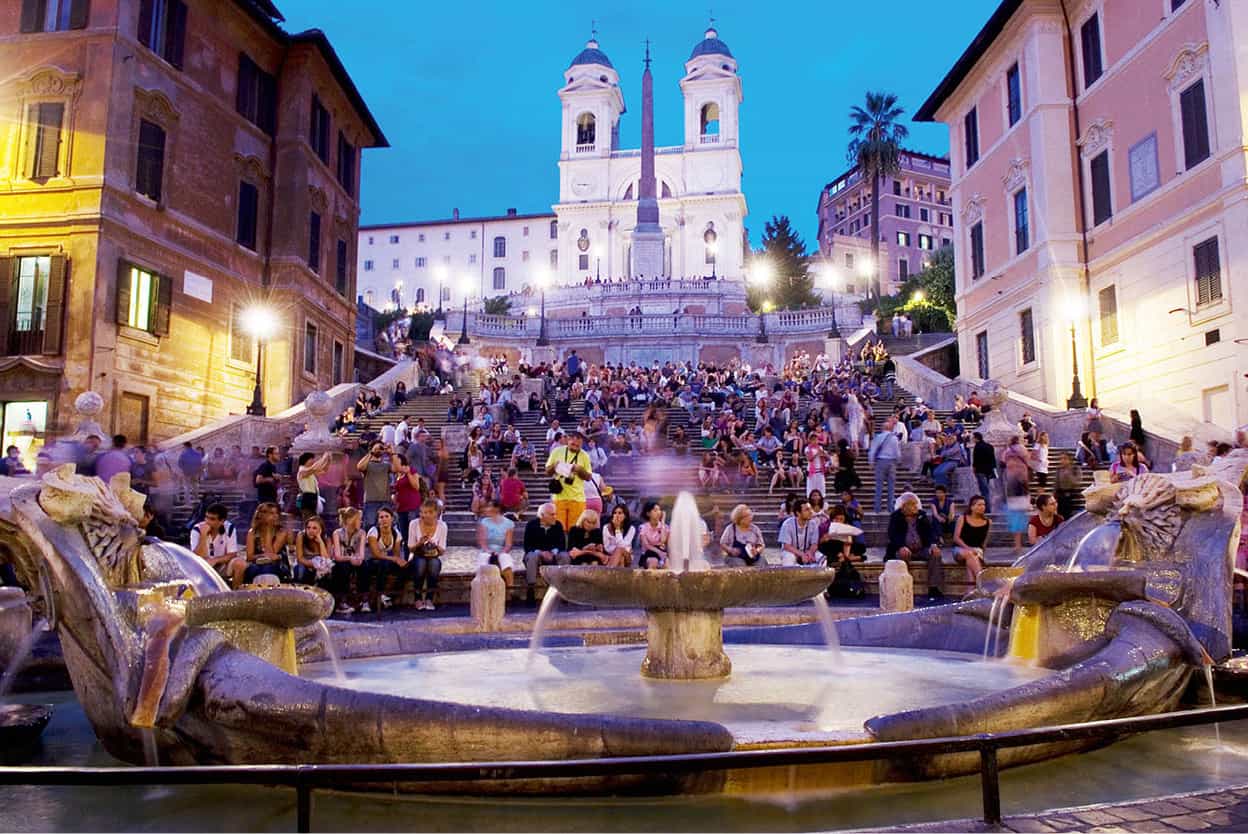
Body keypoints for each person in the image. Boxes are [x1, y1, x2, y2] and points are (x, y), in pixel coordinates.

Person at [885, 492, 944, 600]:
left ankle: (934, 587)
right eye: (912, 504)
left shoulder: (922, 515)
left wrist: (933, 545)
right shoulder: (896, 516)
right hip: (904, 548)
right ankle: (904, 585)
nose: (916, 507)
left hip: (922, 548)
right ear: (904, 506)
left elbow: (930, 532)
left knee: (936, 554)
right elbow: (892, 535)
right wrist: (901, 546)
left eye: (916, 504)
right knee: (902, 555)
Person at [544, 430, 593, 534]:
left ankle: (572, 549)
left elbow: (588, 477)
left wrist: (580, 470)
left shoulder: (585, 456)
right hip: (559, 497)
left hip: (577, 498)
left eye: (578, 446)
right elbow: (547, 471)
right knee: (558, 529)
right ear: (568, 440)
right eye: (573, 444)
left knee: (575, 530)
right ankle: (560, 549)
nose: (575, 447)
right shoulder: (557, 451)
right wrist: (555, 466)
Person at [523, 502, 568, 602]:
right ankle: (531, 588)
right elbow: (527, 546)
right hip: (537, 554)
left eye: (555, 514)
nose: (555, 517)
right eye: (552, 514)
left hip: (553, 555)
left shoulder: (558, 525)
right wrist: (541, 553)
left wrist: (553, 553)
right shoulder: (531, 525)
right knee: (531, 556)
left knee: (564, 556)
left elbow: (562, 545)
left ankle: (563, 588)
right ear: (542, 515)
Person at [406, 499, 446, 610]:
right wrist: (419, 543)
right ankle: (417, 598)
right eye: (423, 512)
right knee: (420, 564)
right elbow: (410, 548)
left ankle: (429, 598)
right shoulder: (414, 524)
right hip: (418, 554)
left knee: (434, 564)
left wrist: (434, 545)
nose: (425, 515)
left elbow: (442, 551)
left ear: (435, 513)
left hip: (433, 555)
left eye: (429, 512)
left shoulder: (442, 526)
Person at [237, 502, 289, 588]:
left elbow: (271, 554)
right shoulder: (252, 532)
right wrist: (262, 556)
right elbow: (249, 557)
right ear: (262, 515)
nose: (276, 516)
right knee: (253, 569)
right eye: (272, 513)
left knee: (267, 568)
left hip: (277, 565)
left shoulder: (281, 532)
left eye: (276, 513)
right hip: (257, 564)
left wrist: (268, 530)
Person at [365, 507, 405, 612]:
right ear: (378, 520)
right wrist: (394, 558)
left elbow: (396, 554)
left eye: (386, 516)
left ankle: (392, 597)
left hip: (386, 561)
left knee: (405, 568)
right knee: (383, 564)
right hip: (371, 562)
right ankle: (380, 594)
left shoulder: (396, 533)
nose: (384, 519)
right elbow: (376, 554)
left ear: (392, 518)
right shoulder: (373, 531)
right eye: (381, 517)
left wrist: (399, 561)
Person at [189, 502, 240, 580]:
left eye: (212, 519)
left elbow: (232, 554)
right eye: (206, 517)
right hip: (202, 566)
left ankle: (236, 591)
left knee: (239, 563)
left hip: (222, 564)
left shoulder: (229, 528)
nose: (207, 521)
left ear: (222, 521)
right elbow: (197, 556)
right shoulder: (197, 530)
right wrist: (203, 536)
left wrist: (215, 560)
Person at [331, 506, 367, 614]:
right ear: (350, 520)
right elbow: (337, 556)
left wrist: (359, 559)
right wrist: (350, 558)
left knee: (364, 566)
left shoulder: (361, 533)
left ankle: (363, 600)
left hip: (355, 561)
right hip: (342, 561)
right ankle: (342, 602)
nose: (360, 521)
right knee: (342, 567)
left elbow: (361, 554)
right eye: (358, 519)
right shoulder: (337, 533)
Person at [476, 499, 516, 590]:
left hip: (502, 550)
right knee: (483, 559)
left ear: (497, 509)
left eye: (489, 507)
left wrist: (502, 552)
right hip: (487, 550)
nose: (486, 509)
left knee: (506, 561)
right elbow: (483, 542)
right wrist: (488, 551)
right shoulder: (484, 522)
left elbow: (508, 544)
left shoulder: (509, 524)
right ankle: (481, 589)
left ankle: (511, 589)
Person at [952, 495, 991, 583]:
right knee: (970, 554)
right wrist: (969, 548)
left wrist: (981, 554)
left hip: (977, 551)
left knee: (971, 560)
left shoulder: (988, 522)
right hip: (960, 549)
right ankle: (982, 582)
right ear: (972, 507)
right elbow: (956, 538)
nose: (982, 507)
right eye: (979, 505)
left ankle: (970, 590)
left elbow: (984, 543)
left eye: (984, 505)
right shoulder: (963, 518)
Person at [867, 415, 901, 513]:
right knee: (891, 486)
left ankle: (877, 508)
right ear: (890, 428)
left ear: (883, 428)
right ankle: (890, 507)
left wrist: (871, 462)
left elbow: (872, 450)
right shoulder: (894, 438)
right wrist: (898, 461)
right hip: (891, 462)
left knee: (879, 486)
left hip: (880, 461)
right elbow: (897, 452)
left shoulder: (878, 437)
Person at [357, 442, 392, 529]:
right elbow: (359, 467)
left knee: (386, 526)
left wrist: (392, 453)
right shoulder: (367, 465)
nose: (379, 450)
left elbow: (397, 469)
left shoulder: (386, 465)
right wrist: (371, 452)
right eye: (377, 448)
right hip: (370, 500)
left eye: (381, 448)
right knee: (370, 525)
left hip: (385, 500)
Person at [778, 498, 822, 566]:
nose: (811, 512)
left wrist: (810, 553)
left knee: (821, 557)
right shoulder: (787, 524)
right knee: (788, 557)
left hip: (808, 552)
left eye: (810, 509)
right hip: (792, 552)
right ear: (798, 513)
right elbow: (787, 546)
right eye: (807, 510)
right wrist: (801, 554)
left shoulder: (813, 524)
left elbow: (814, 543)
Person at [293, 516, 334, 587]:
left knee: (327, 572)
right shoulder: (301, 535)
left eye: (314, 528)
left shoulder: (327, 539)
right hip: (305, 563)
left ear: (321, 529)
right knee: (300, 569)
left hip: (321, 566)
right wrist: (313, 565)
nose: (310, 530)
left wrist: (320, 541)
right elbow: (300, 558)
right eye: (308, 528)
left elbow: (326, 559)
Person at [295, 452, 331, 520]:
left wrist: (328, 461)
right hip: (306, 498)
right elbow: (314, 468)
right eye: (312, 459)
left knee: (314, 519)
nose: (313, 461)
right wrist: (323, 459)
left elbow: (323, 470)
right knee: (309, 519)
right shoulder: (302, 470)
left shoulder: (310, 472)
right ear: (306, 460)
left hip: (313, 497)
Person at [638, 501, 670, 569]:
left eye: (659, 510)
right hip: (649, 553)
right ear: (648, 513)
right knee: (653, 561)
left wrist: (663, 522)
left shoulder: (665, 527)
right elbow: (646, 545)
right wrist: (659, 552)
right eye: (655, 510)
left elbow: (662, 541)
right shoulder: (643, 527)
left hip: (662, 553)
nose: (659, 512)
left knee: (668, 564)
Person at [971, 432, 997, 512]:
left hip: (980, 471)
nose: (972, 439)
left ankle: (987, 509)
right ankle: (988, 507)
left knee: (984, 491)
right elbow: (993, 459)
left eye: (973, 438)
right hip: (988, 471)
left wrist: (974, 469)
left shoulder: (977, 446)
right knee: (986, 490)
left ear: (976, 438)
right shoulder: (989, 446)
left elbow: (975, 460)